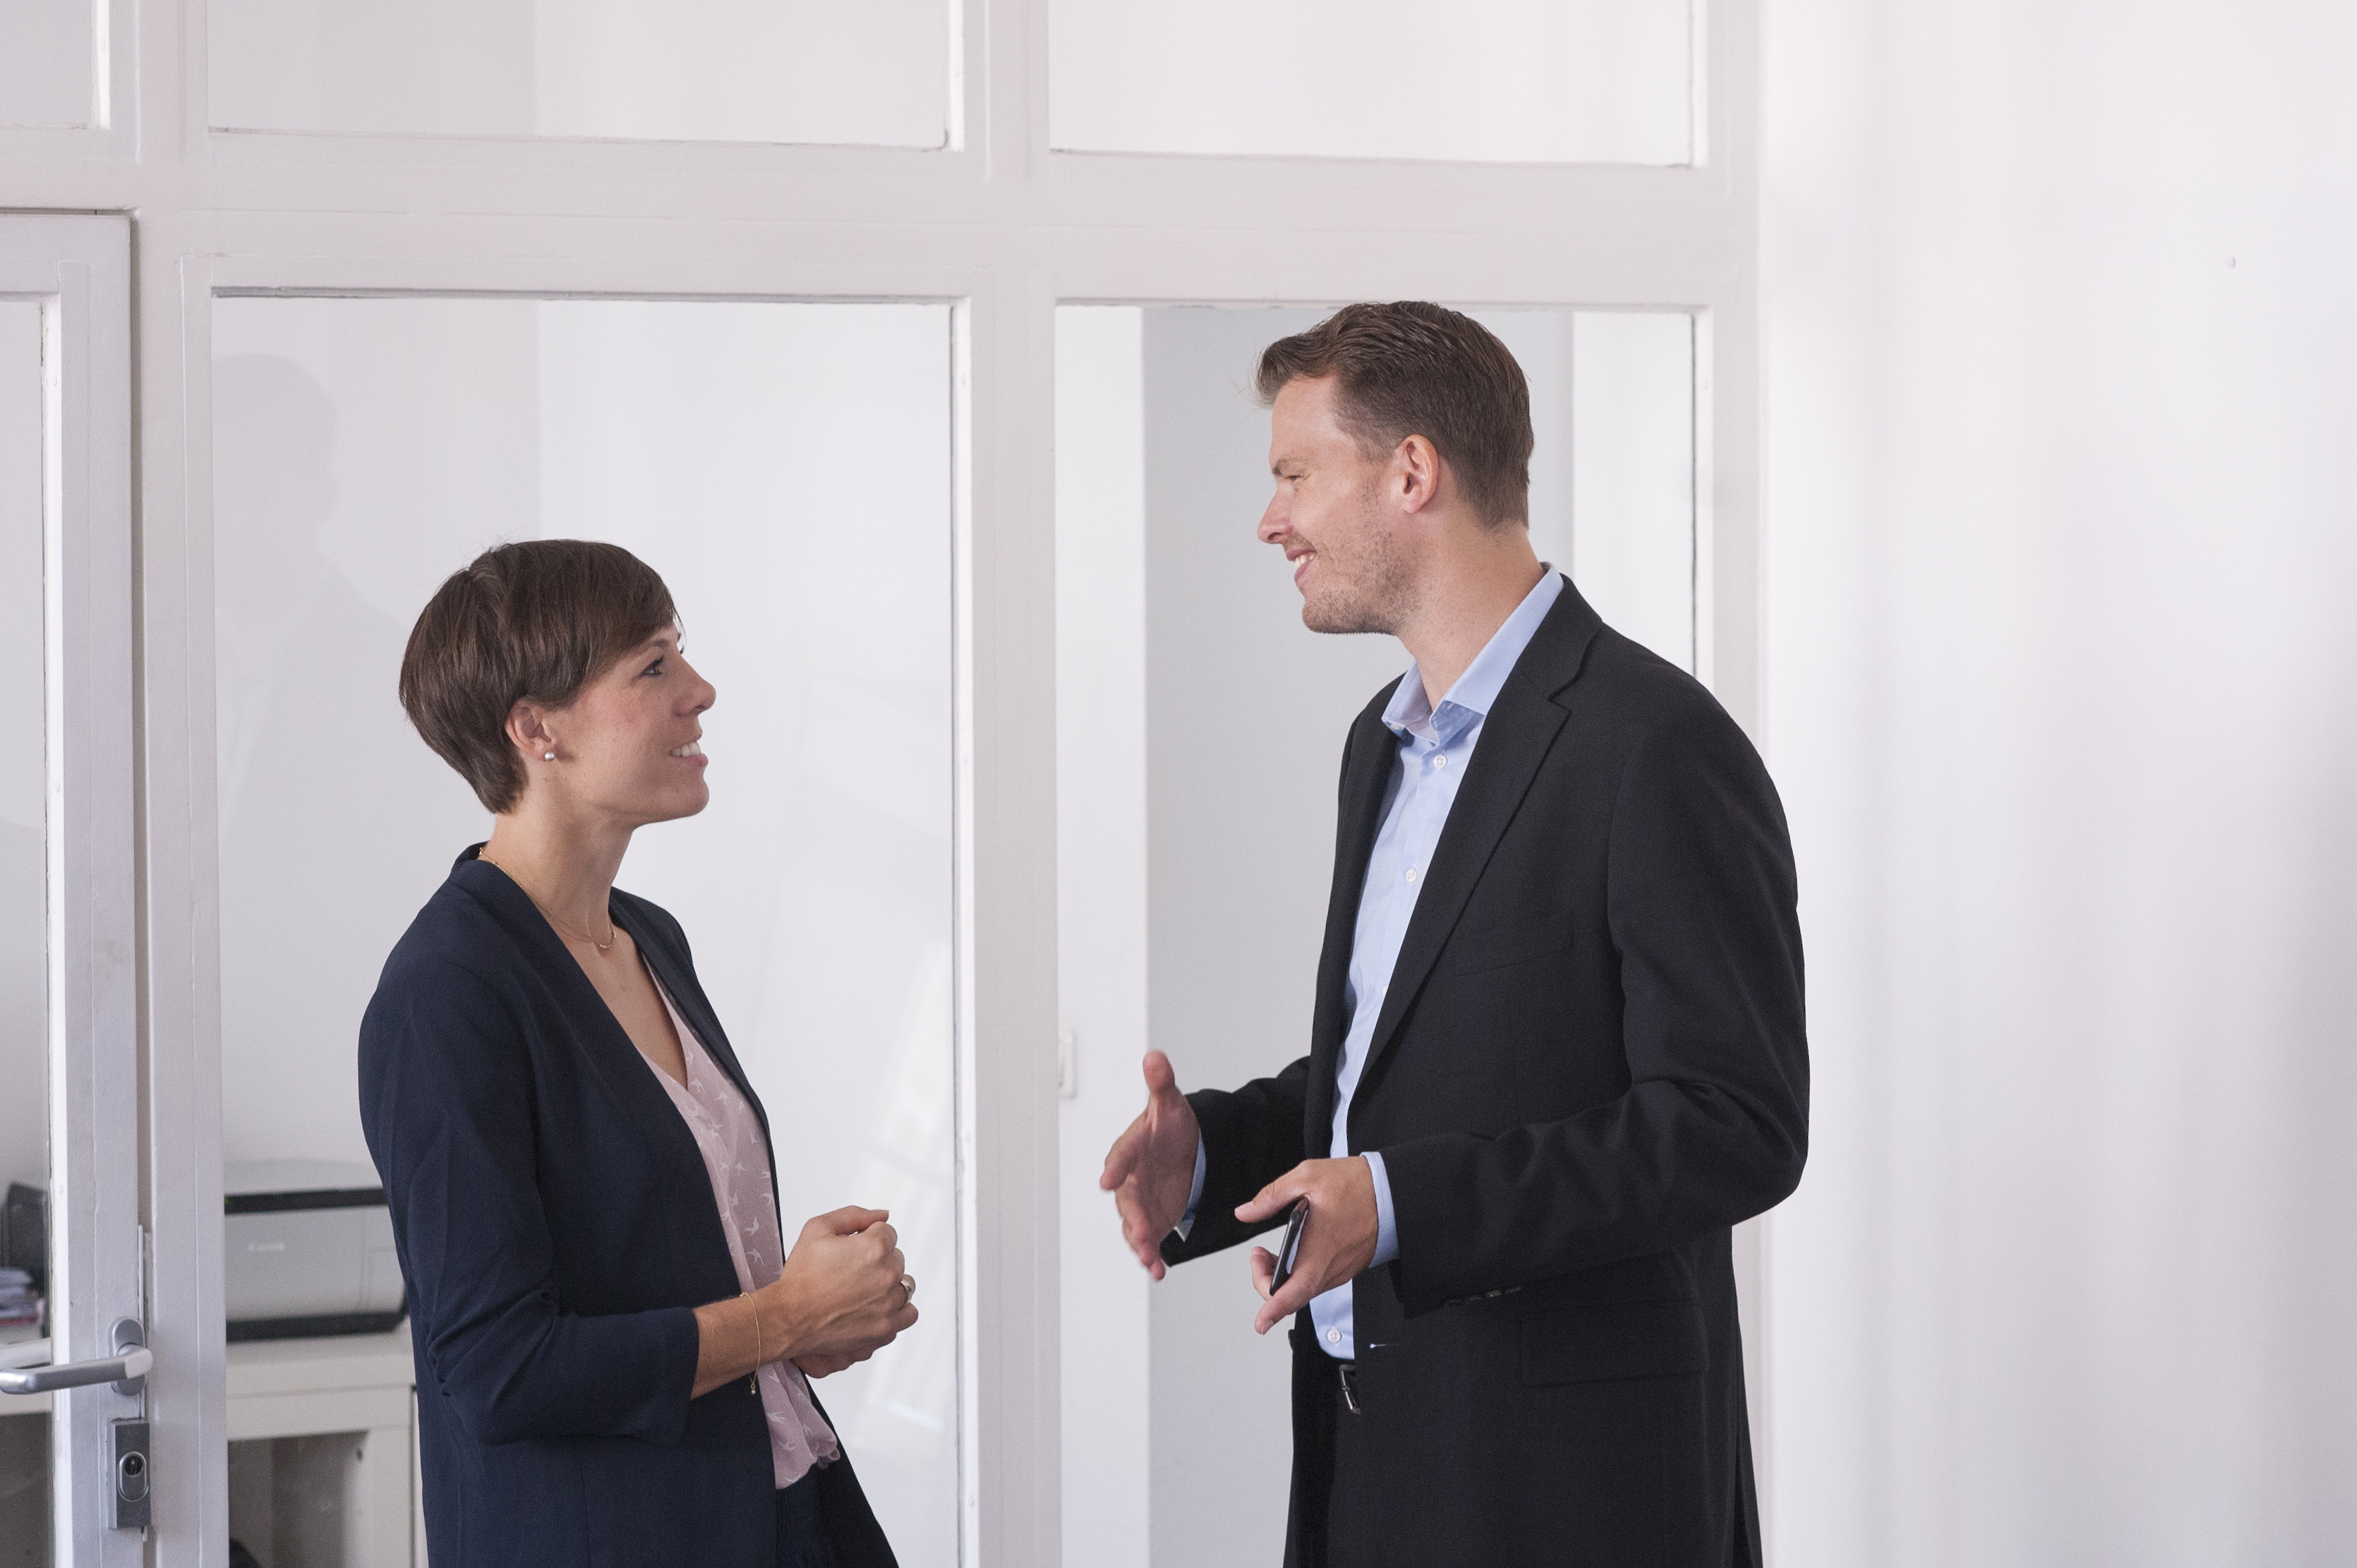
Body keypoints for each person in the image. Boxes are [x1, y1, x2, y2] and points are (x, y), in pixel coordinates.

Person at [1099, 303, 1809, 1567]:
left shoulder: (1655, 745)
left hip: (1572, 1497)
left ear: (1412, 471)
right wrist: (1216, 1153)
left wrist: (1404, 1202)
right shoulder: (1378, 748)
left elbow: (1735, 1122)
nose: (1273, 521)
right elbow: (1417, 1070)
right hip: (1379, 1458)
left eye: (1294, 476)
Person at [360, 540, 915, 1567]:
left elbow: (658, 1270)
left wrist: (804, 1316)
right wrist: (783, 1314)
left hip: (779, 1506)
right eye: (652, 665)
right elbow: (499, 1368)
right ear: (536, 729)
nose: (698, 692)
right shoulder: (445, 995)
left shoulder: (649, 936)